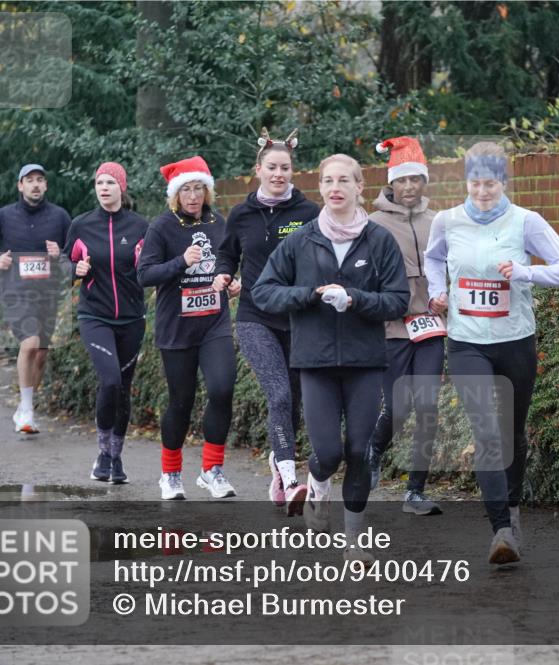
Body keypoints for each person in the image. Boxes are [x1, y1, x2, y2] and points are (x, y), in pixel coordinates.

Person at [424, 142, 559, 565]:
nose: (481, 191)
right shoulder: (448, 221)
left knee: (512, 431)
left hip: (515, 340)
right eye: (475, 182)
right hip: (467, 341)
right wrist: (438, 292)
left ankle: (512, 509)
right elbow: (433, 259)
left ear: (503, 182)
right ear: (467, 181)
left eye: (490, 183)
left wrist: (526, 272)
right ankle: (501, 531)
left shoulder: (525, 222)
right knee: (487, 433)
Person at [253, 153, 409, 567]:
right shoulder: (301, 240)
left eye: (344, 180)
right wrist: (307, 294)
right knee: (328, 451)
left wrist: (355, 299)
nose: (335, 187)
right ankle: (317, 483)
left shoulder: (379, 240)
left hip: (365, 361)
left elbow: (398, 300)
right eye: (327, 181)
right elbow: (263, 291)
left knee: (359, 451)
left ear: (360, 187)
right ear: (320, 188)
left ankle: (354, 540)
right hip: (316, 361)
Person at [214, 129, 319, 515]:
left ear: (293, 171)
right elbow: (227, 255)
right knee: (278, 394)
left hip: (299, 318)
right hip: (255, 317)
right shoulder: (241, 215)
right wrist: (224, 276)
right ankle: (291, 477)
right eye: (272, 167)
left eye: (285, 168)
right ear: (258, 170)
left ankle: (278, 462)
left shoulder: (309, 214)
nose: (279, 174)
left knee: (293, 400)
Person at [137, 156, 240, 501]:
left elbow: (228, 262)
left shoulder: (219, 222)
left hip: (214, 324)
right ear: (176, 195)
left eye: (199, 189)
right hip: (176, 328)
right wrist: (181, 261)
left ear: (207, 192)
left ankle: (212, 469)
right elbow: (145, 274)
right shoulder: (162, 227)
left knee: (223, 389)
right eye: (186, 190)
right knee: (181, 402)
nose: (193, 196)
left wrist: (231, 280)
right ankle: (171, 474)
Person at [367, 136, 445, 516]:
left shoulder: (439, 221)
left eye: (416, 179)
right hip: (391, 327)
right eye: (402, 180)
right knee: (397, 406)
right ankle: (374, 452)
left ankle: (415, 490)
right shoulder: (373, 224)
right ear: (391, 183)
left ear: (424, 181)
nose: (410, 187)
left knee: (428, 406)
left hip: (431, 326)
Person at [64, 162, 148, 485]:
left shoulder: (140, 226)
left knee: (123, 389)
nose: (104, 188)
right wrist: (75, 271)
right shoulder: (81, 225)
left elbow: (152, 266)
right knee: (110, 380)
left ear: (121, 188)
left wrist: (146, 263)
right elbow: (62, 264)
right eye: (99, 182)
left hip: (132, 318)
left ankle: (116, 456)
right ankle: (101, 452)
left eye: (110, 182)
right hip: (94, 315)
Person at [0, 164, 71, 434]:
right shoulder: (4, 216)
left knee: (41, 355)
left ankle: (25, 406)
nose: (35, 185)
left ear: (46, 186)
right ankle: (27, 409)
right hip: (16, 292)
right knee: (29, 344)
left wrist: (60, 253)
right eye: (30, 180)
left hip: (48, 294)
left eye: (40, 180)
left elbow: (74, 251)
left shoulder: (60, 216)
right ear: (20, 186)